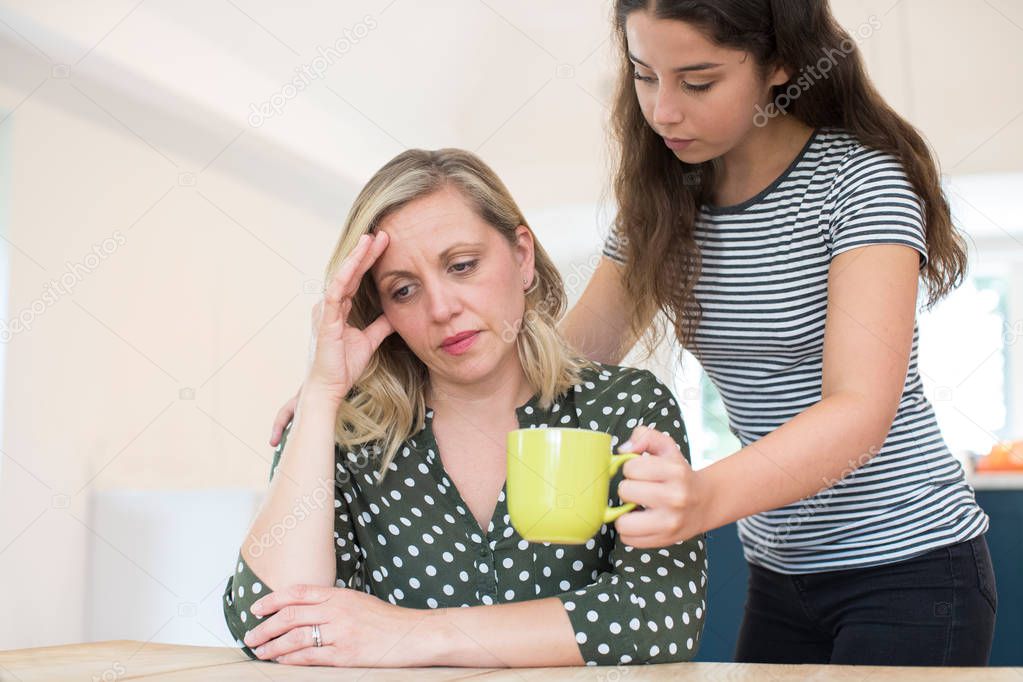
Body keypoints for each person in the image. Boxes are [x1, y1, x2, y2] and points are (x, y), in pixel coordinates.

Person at [269, 0, 996, 666]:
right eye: (645, 77)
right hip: (778, 568)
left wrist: (701, 499)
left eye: (698, 81)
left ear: (780, 64)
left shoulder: (859, 185)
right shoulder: (667, 201)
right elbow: (563, 359)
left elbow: (858, 410)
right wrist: (352, 390)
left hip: (911, 564)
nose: (664, 110)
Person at [223, 148, 708, 668]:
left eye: (462, 266)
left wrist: (412, 635)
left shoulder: (623, 407)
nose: (441, 308)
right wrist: (321, 395)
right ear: (380, 309)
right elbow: (267, 624)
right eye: (403, 290)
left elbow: (662, 618)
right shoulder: (344, 432)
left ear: (522, 257)